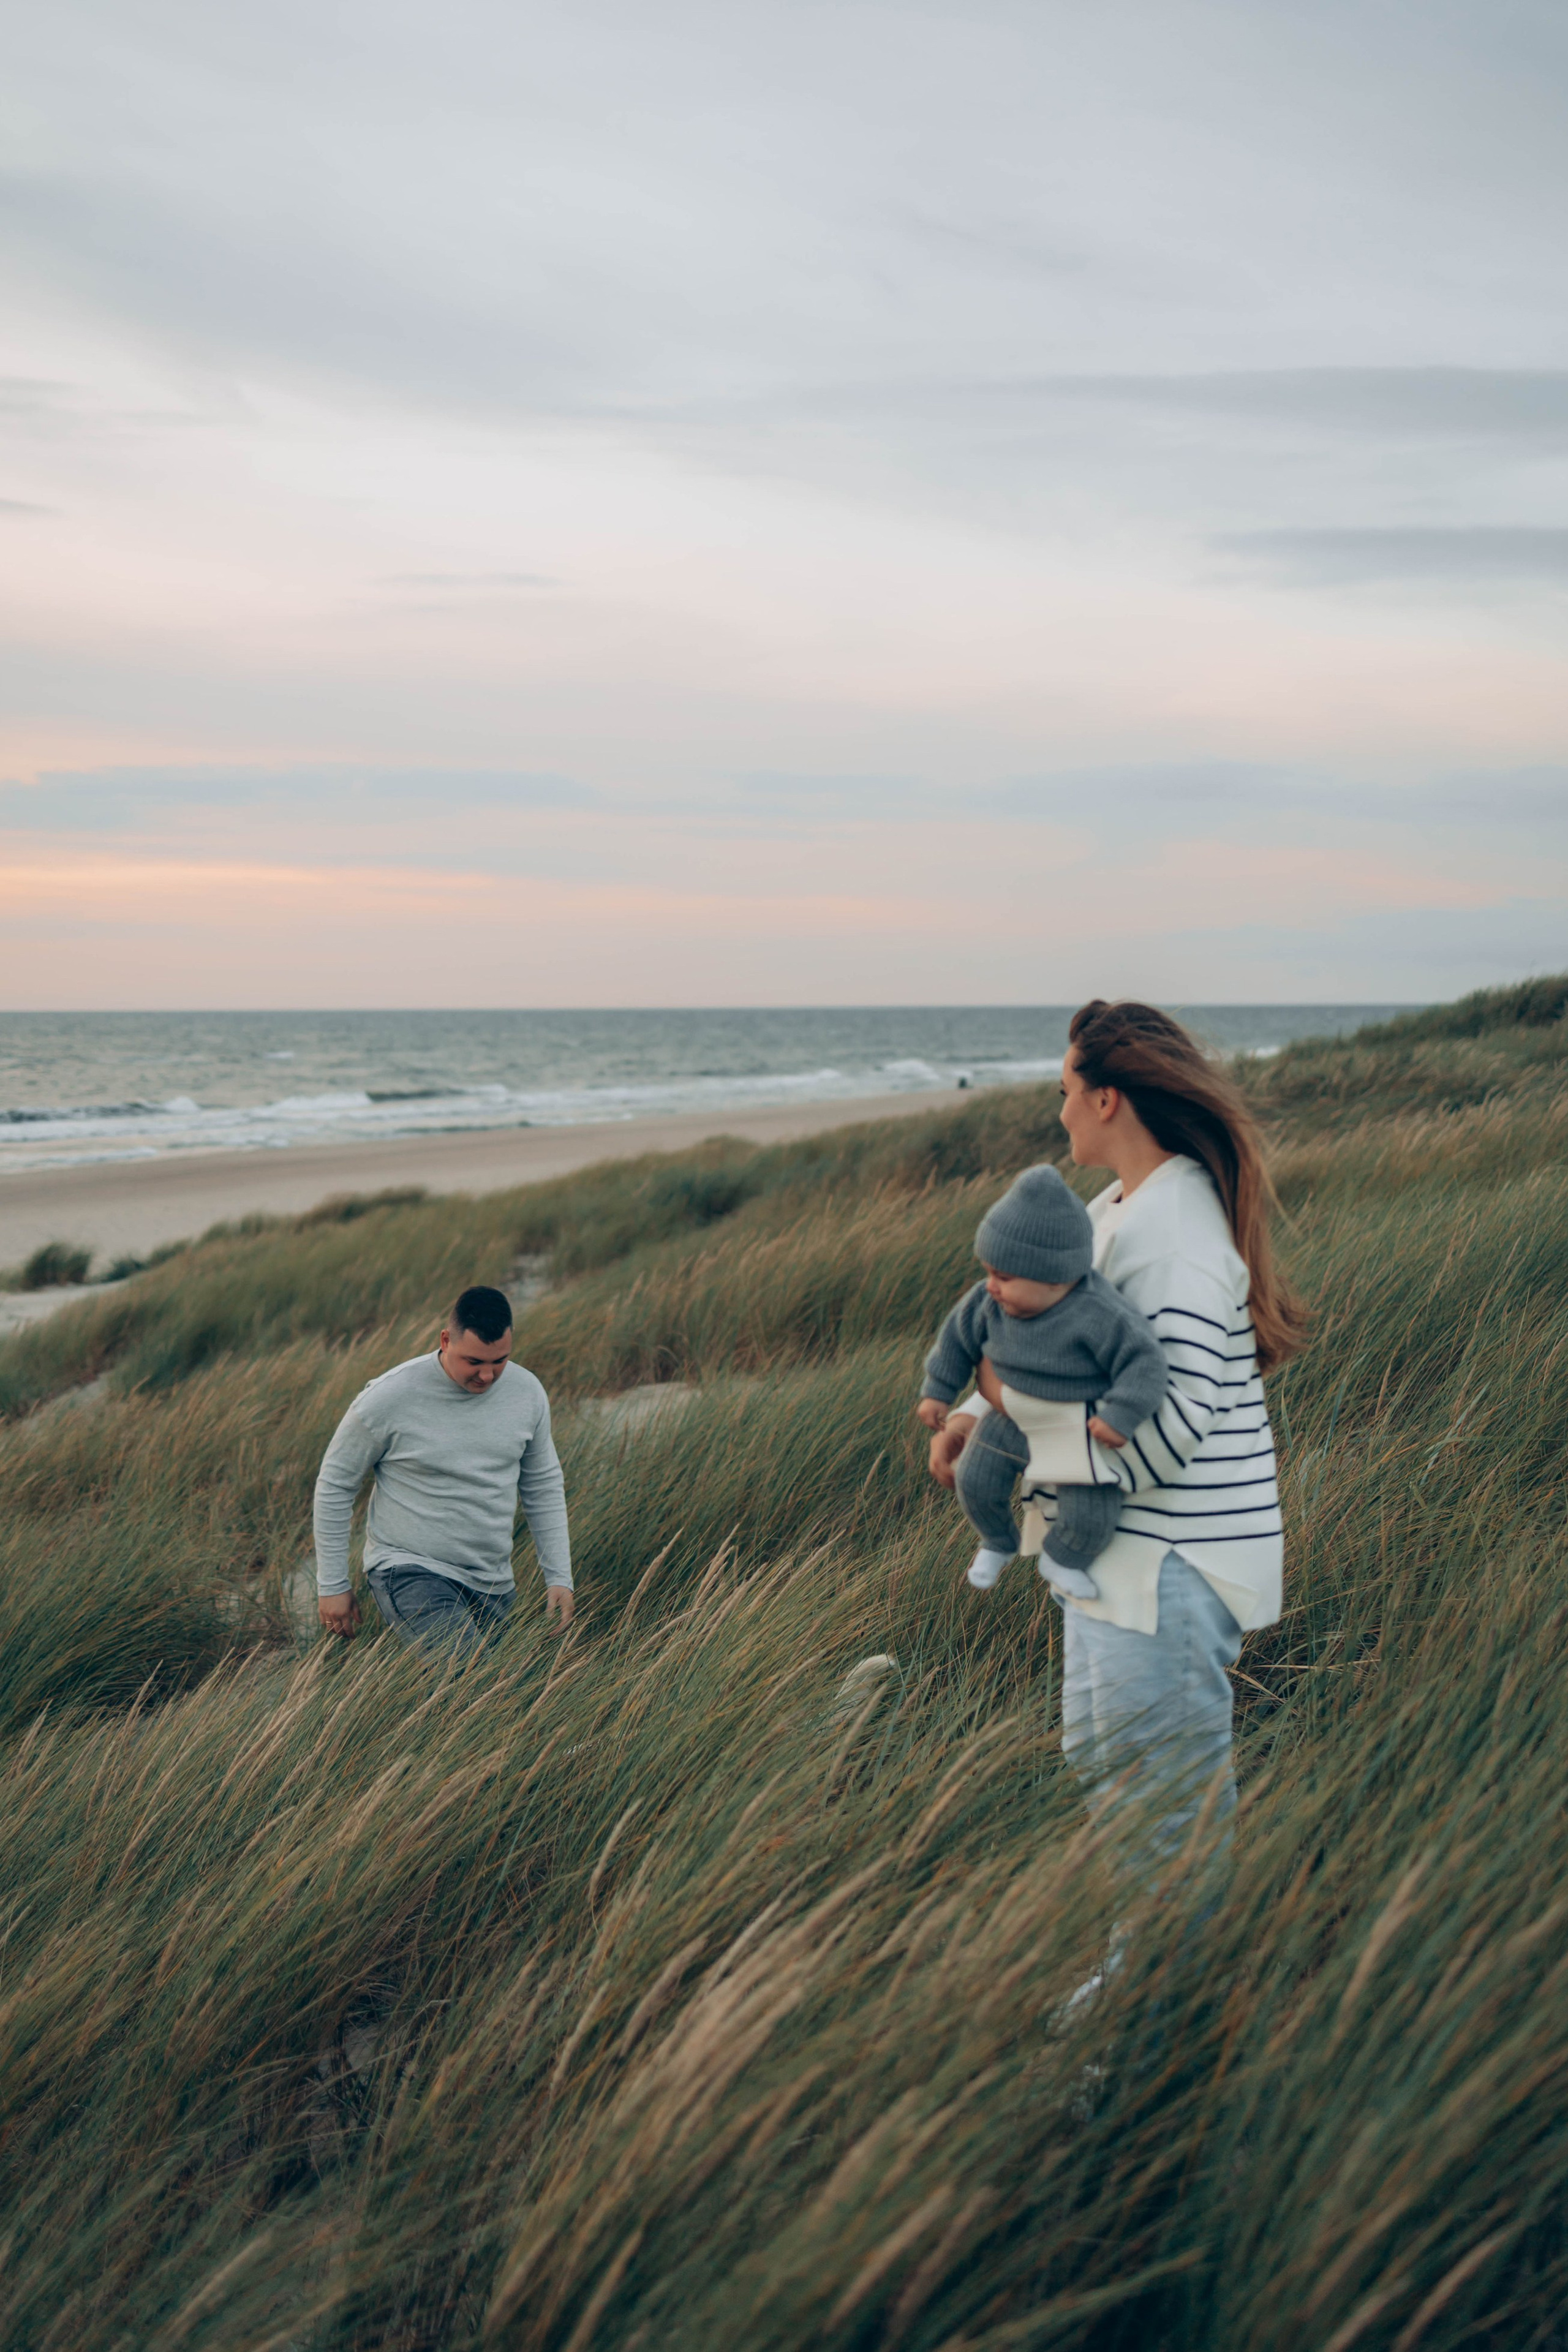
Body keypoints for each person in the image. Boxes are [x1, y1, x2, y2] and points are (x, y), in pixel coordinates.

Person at [929, 1000, 1305, 1913]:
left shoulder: (1175, 1232)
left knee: (1163, 1807)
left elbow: (1174, 1422)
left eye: (1065, 1090)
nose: (1057, 1110)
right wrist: (979, 1415)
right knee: (1105, 1765)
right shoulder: (1115, 1210)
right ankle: (1136, 1966)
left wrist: (1025, 1450)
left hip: (1172, 1565)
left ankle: (1169, 1999)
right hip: (1118, 1558)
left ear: (1107, 1100)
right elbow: (1055, 1344)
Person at [916, 1164, 1168, 1599]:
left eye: (1004, 1277)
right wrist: (939, 1391)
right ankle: (998, 1542)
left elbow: (1144, 1361)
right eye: (989, 1273)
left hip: (1074, 1425)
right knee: (975, 1482)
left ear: (1055, 1278)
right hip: (1008, 1419)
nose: (990, 1287)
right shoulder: (988, 1302)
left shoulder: (1097, 1312)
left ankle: (1063, 1558)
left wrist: (1122, 1415)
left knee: (1092, 1513)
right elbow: (956, 1342)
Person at [314, 1283, 573, 1658]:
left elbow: (543, 1485)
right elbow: (336, 1484)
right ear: (446, 1340)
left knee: (500, 1685)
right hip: (410, 1570)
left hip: (493, 1581)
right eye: (474, 1362)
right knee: (469, 1675)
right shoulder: (389, 1397)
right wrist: (332, 1584)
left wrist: (559, 1576)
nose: (488, 1375)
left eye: (499, 1361)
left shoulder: (528, 1392)